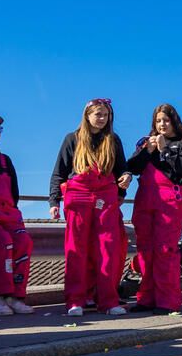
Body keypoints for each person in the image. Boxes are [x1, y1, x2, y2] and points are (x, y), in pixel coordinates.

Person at [49, 99, 132, 316]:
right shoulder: (72, 139)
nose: (102, 119)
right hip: (78, 196)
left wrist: (124, 185)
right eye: (98, 114)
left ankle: (108, 300)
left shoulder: (113, 140)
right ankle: (75, 300)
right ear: (87, 115)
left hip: (106, 195)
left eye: (106, 115)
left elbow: (122, 169)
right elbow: (60, 170)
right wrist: (54, 200)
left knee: (108, 249)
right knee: (76, 249)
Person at [126, 104, 182, 314]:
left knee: (165, 250)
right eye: (158, 121)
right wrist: (146, 152)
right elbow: (132, 167)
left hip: (170, 200)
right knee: (145, 251)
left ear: (174, 121)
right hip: (145, 199)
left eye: (165, 120)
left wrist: (164, 149)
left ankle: (167, 301)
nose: (162, 124)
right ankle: (146, 298)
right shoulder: (147, 143)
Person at [0, 114, 34, 316]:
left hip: (7, 213)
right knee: (2, 241)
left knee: (23, 241)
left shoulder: (4, 160)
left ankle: (15, 297)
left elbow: (14, 193)